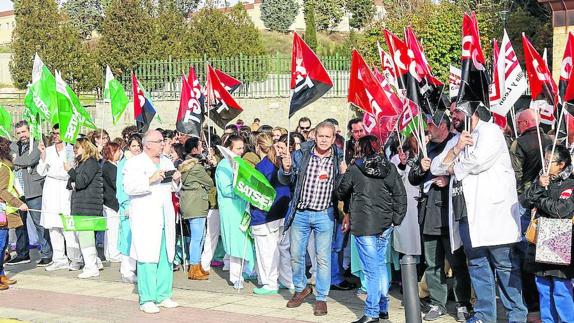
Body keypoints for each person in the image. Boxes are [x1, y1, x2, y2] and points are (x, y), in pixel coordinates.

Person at [431, 104, 527, 323]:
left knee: (504, 268)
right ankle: (485, 316)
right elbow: (436, 166)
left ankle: (517, 316)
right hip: (468, 217)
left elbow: (477, 162)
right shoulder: (458, 138)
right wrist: (455, 151)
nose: (452, 116)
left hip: (494, 216)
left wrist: (454, 166)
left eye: (456, 112)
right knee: (477, 265)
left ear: (469, 111)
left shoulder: (490, 131)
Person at [336, 135, 407, 323]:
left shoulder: (355, 168)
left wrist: (343, 173)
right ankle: (382, 308)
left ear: (361, 148)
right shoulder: (389, 167)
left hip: (365, 224)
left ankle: (372, 312)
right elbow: (400, 195)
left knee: (372, 270)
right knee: (380, 266)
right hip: (384, 223)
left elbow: (340, 192)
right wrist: (395, 220)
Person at [409, 112, 471, 321]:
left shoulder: (457, 144)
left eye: (431, 125)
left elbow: (467, 171)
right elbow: (413, 178)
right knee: (432, 263)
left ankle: (463, 303)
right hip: (430, 212)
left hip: (451, 211)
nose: (428, 128)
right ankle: (437, 303)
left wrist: (447, 176)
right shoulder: (427, 148)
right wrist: (421, 168)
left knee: (457, 263)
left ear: (443, 126)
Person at [279, 121, 346, 316]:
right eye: (321, 136)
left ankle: (321, 298)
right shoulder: (301, 155)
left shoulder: (338, 158)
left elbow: (343, 189)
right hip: (301, 212)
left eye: (328, 136)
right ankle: (301, 289)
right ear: (314, 137)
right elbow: (287, 181)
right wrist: (286, 169)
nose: (324, 140)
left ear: (334, 139)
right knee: (296, 255)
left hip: (324, 214)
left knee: (323, 259)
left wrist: (343, 174)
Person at [123, 130, 181, 314]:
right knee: (147, 256)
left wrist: (177, 180)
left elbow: (172, 187)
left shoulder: (166, 161)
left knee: (166, 253)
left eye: (163, 141)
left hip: (165, 214)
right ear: (148, 144)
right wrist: (151, 179)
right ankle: (147, 298)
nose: (163, 144)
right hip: (146, 216)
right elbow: (129, 187)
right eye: (159, 141)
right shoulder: (134, 163)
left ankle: (163, 294)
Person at [521, 144, 574, 323]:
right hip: (539, 239)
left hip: (561, 240)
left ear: (562, 164)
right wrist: (538, 186)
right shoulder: (541, 178)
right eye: (545, 159)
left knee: (561, 288)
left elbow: (561, 210)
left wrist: (540, 198)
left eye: (550, 161)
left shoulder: (571, 183)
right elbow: (525, 200)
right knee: (542, 287)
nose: (545, 164)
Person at [510, 108, 550, 319]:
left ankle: (532, 304)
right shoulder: (551, 141)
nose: (517, 127)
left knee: (526, 253)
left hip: (526, 202)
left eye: (519, 123)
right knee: (547, 254)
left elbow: (514, 176)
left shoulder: (519, 144)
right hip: (548, 202)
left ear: (525, 124)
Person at [250, 133, 293, 295]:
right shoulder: (279, 163)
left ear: (258, 147)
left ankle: (270, 282)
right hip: (282, 211)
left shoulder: (262, 166)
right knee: (282, 249)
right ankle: (286, 279)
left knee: (266, 250)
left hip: (265, 214)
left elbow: (256, 192)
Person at [37, 124, 82, 272]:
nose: (55, 135)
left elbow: (68, 171)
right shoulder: (48, 150)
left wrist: (56, 171)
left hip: (64, 189)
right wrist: (43, 157)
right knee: (53, 227)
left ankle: (75, 258)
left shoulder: (71, 150)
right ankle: (59, 259)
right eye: (53, 133)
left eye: (58, 133)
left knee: (68, 226)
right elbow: (41, 171)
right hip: (50, 189)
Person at [7, 120, 52, 266]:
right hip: (17, 191)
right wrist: (17, 160)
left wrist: (16, 160)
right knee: (19, 224)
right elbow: (12, 160)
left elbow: (29, 160)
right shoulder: (13, 146)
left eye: (24, 132)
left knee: (39, 223)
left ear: (30, 131)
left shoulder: (38, 143)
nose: (22, 135)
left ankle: (47, 253)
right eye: (19, 133)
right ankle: (22, 253)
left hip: (34, 190)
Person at [215, 135, 256, 289]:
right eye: (237, 148)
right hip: (231, 208)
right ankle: (235, 275)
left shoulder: (239, 163)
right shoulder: (224, 165)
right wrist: (242, 187)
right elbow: (226, 190)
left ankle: (246, 270)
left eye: (242, 148)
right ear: (229, 149)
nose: (240, 151)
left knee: (245, 239)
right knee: (234, 242)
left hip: (242, 206)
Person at [65, 138, 104, 279]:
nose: (75, 150)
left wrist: (70, 171)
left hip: (88, 206)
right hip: (81, 204)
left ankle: (91, 267)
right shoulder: (82, 163)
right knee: (84, 237)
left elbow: (81, 182)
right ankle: (93, 264)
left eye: (77, 147)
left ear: (86, 148)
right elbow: (71, 184)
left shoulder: (91, 162)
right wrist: (73, 175)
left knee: (87, 238)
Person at [179, 137, 214, 280]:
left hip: (189, 204)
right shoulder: (197, 167)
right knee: (197, 237)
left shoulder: (186, 164)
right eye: (200, 146)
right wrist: (210, 169)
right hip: (197, 204)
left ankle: (196, 265)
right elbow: (209, 182)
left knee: (196, 236)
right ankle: (194, 267)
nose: (203, 149)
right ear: (194, 150)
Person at [0, 136, 27, 290]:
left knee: (3, 246)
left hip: (5, 209)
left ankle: (2, 275)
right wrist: (19, 203)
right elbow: (2, 190)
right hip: (2, 209)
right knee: (1, 245)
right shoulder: (4, 168)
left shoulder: (5, 166)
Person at [116, 133, 143, 283]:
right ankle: (127, 269)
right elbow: (121, 186)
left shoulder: (141, 161)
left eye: (139, 145)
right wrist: (125, 204)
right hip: (128, 205)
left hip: (139, 205)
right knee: (127, 236)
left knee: (136, 237)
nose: (137, 148)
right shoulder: (124, 163)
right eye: (134, 146)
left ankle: (134, 267)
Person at [102, 142, 123, 263]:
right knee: (113, 228)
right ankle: (113, 253)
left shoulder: (113, 165)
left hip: (111, 201)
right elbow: (116, 183)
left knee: (111, 228)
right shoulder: (108, 167)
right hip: (111, 201)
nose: (120, 153)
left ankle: (110, 253)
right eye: (118, 151)